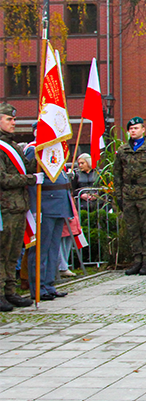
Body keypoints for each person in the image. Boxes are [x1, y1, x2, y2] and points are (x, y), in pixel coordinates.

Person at [0, 103, 38, 311]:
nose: (13, 123)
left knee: (14, 252)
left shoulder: (13, 146)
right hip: (4, 207)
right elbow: (3, 179)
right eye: (9, 119)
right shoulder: (1, 147)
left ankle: (10, 292)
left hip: (18, 206)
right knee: (2, 252)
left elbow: (25, 167)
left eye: (14, 119)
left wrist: (42, 156)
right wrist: (30, 178)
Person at [25, 138, 73, 301]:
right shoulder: (35, 150)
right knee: (41, 249)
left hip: (58, 204)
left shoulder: (56, 149)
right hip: (44, 206)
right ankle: (38, 286)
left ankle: (48, 284)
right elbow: (33, 180)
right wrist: (34, 208)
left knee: (53, 248)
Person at [113, 117, 146, 275]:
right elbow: (117, 174)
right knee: (133, 228)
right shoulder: (122, 150)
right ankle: (137, 260)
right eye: (131, 128)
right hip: (128, 193)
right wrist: (119, 195)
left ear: (143, 130)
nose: (133, 131)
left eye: (136, 128)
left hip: (145, 193)